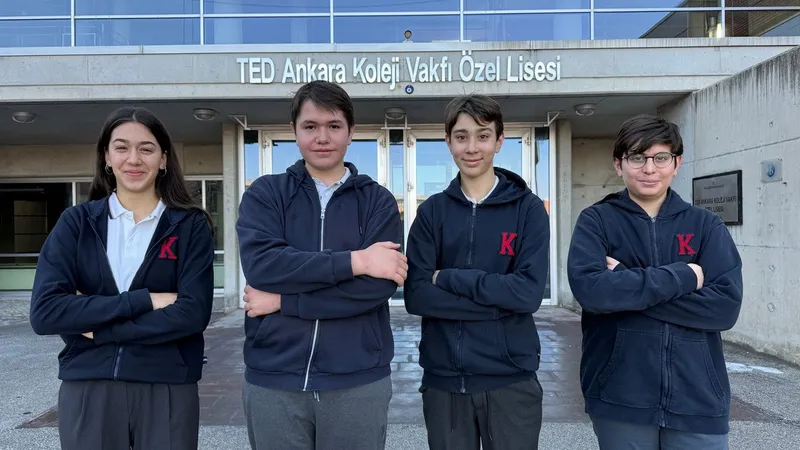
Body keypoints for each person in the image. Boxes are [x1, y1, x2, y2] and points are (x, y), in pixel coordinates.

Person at [29, 106, 216, 450]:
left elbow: (192, 314)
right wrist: (145, 300)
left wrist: (97, 326)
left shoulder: (189, 226)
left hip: (167, 386)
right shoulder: (77, 223)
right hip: (89, 386)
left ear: (163, 159)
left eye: (146, 148)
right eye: (121, 147)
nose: (133, 159)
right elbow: (46, 312)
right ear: (106, 156)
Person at [236, 80, 406, 450]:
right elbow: (264, 267)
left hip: (357, 379)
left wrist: (284, 302)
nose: (322, 137)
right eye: (310, 126)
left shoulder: (378, 202)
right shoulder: (265, 194)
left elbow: (374, 290)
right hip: (274, 379)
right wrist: (358, 261)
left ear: (351, 132)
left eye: (334, 126)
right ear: (294, 131)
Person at [567, 114, 743, 449]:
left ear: (676, 163)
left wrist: (624, 281)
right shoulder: (596, 221)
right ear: (619, 164)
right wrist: (685, 276)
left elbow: (724, 308)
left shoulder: (706, 225)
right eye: (637, 157)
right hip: (620, 398)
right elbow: (593, 293)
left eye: (661, 158)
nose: (649, 169)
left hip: (698, 400)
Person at [404, 94, 550, 450]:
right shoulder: (432, 213)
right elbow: (417, 295)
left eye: (483, 136)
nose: (472, 147)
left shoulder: (528, 210)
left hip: (510, 379)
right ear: (448, 142)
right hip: (444, 383)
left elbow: (528, 294)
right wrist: (500, 302)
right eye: (462, 136)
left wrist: (448, 278)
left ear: (499, 141)